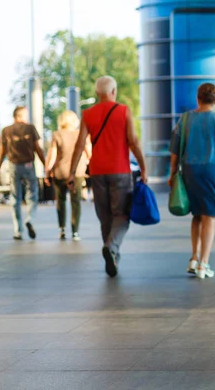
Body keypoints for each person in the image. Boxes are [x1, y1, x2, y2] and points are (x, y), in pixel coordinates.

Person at [67, 76, 148, 278]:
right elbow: (134, 141)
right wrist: (144, 167)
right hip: (120, 169)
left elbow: (79, 145)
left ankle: (112, 253)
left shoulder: (87, 114)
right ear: (114, 91)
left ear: (97, 93)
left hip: (97, 171)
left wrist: (71, 172)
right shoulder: (123, 111)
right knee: (121, 214)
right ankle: (111, 247)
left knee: (105, 216)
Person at [168, 83, 215, 279]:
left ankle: (193, 258)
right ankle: (204, 264)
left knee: (196, 215)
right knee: (209, 216)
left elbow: (175, 149)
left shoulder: (185, 120)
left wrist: (172, 173)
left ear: (198, 98)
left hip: (190, 171)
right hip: (213, 171)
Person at [0, 106, 46, 240]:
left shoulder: (6, 130)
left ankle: (18, 231)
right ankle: (30, 219)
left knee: (15, 198)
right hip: (28, 165)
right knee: (32, 195)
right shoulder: (30, 128)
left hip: (13, 166)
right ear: (19, 116)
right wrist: (46, 166)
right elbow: (38, 149)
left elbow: (2, 152)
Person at [45, 110, 90, 241]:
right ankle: (75, 231)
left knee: (61, 201)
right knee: (76, 201)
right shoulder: (80, 134)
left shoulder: (57, 134)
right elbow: (88, 152)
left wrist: (48, 171)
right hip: (77, 172)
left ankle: (62, 229)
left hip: (60, 173)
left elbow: (52, 155)